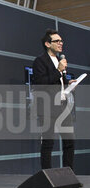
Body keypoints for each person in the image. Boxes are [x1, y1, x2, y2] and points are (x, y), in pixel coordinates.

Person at [32, 29, 76, 170]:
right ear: (47, 44)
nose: (60, 43)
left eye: (61, 41)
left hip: (63, 106)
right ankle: (48, 177)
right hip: (47, 108)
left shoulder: (59, 60)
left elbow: (56, 83)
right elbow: (40, 84)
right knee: (48, 143)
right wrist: (58, 71)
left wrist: (68, 84)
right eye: (57, 41)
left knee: (70, 142)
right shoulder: (40, 61)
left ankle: (68, 175)